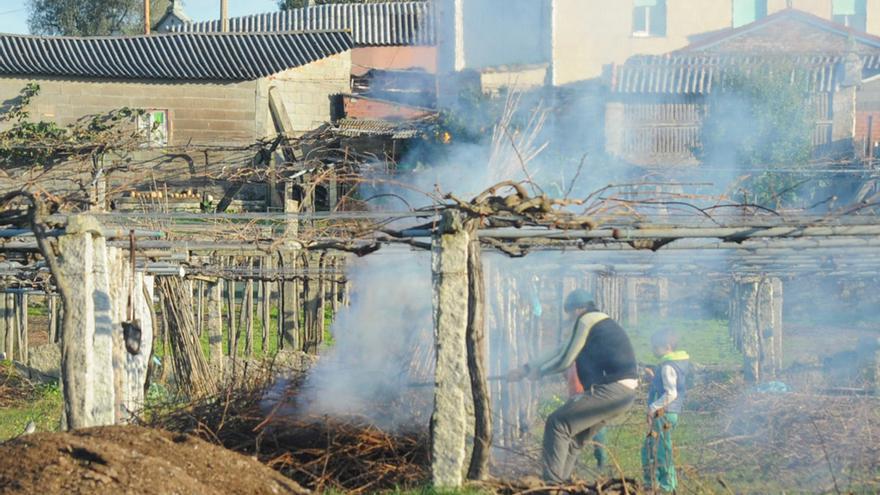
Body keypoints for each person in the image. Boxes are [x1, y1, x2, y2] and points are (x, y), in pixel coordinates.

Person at [508, 289, 638, 484]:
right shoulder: (599, 323)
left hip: (613, 390)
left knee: (557, 423)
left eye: (569, 313)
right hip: (625, 394)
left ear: (578, 309)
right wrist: (526, 368)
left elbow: (565, 359)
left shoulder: (586, 320)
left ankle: (552, 486)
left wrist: (540, 372)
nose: (569, 318)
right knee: (574, 439)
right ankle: (563, 483)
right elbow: (560, 349)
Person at [642, 330, 690, 494]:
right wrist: (653, 378)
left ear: (667, 347)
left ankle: (666, 486)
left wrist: (653, 407)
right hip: (668, 413)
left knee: (661, 449)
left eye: (656, 347)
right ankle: (654, 483)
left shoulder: (668, 366)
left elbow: (671, 393)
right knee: (652, 446)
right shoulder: (674, 363)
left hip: (664, 413)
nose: (653, 350)